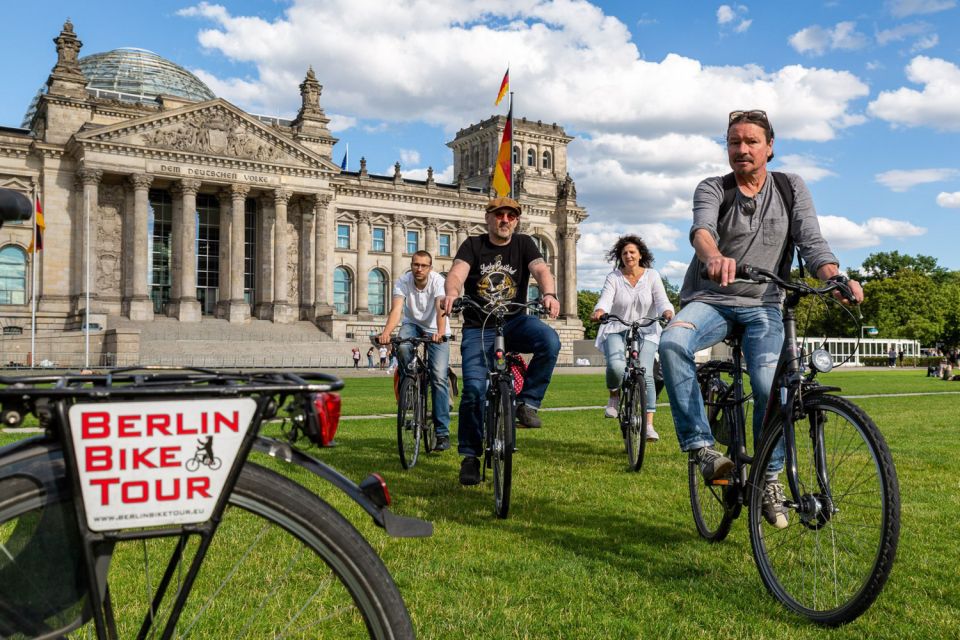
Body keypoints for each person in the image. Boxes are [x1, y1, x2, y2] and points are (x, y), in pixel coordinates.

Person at [658, 109, 863, 530]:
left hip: (765, 305)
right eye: (734, 142)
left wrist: (835, 276)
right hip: (711, 298)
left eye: (751, 141)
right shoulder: (714, 187)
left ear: (770, 146)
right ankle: (703, 449)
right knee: (672, 343)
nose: (742, 149)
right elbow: (701, 230)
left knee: (771, 387)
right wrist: (713, 257)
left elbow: (812, 242)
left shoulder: (790, 187)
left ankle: (768, 477)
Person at [442, 196, 561, 486]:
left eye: (510, 216)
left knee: (550, 340)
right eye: (499, 215)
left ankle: (528, 403)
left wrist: (548, 293)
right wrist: (453, 293)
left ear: (516, 221)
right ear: (488, 218)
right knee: (472, 390)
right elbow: (457, 273)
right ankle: (470, 456)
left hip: (515, 322)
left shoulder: (524, 244)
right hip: (478, 325)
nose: (504, 220)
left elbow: (541, 270)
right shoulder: (473, 245)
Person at [590, 235, 674, 441]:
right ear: (620, 256)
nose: (628, 255)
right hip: (617, 327)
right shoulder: (614, 277)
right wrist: (600, 311)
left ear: (640, 255)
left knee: (645, 373)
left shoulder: (652, 276)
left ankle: (648, 426)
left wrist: (668, 312)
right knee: (617, 367)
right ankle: (613, 397)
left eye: (632, 252)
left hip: (646, 329)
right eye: (624, 253)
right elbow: (606, 299)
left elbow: (662, 300)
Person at [377, 251, 452, 450]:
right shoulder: (403, 280)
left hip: (436, 327)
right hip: (412, 324)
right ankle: (409, 384)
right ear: (411, 265)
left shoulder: (437, 281)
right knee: (401, 345)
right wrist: (386, 333)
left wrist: (440, 333)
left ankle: (442, 432)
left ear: (430, 268)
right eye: (415, 264)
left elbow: (440, 309)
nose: (419, 269)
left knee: (438, 377)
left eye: (423, 265)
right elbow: (396, 310)